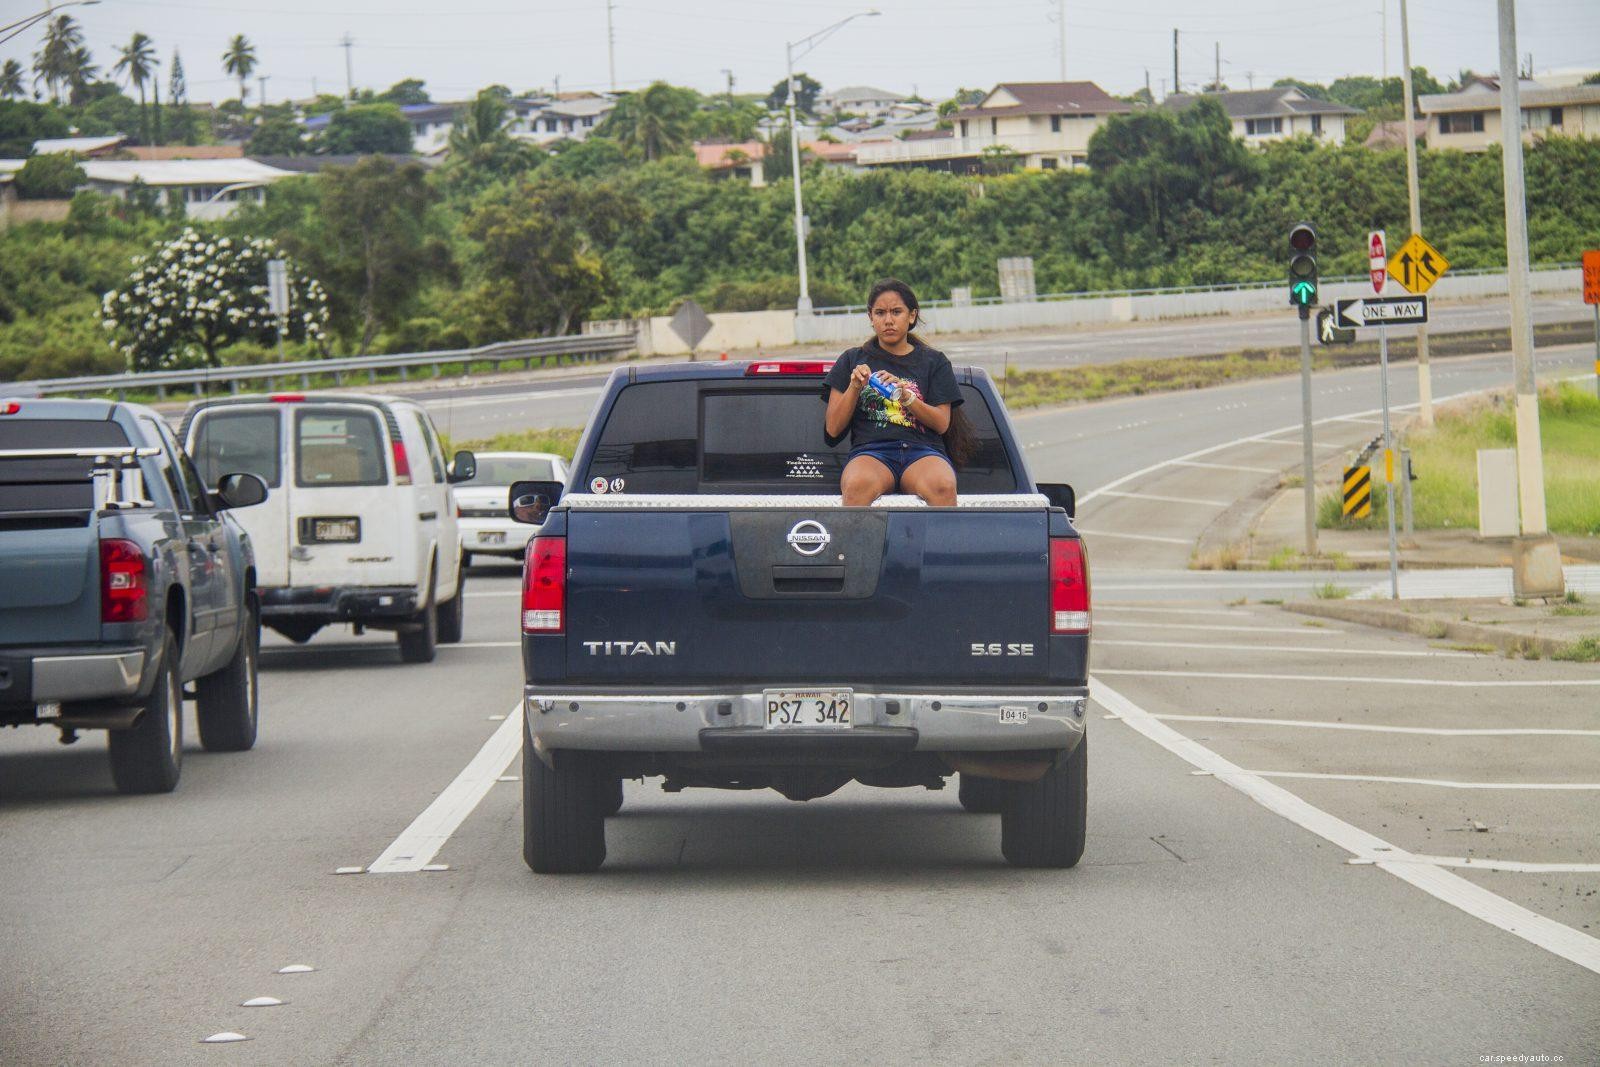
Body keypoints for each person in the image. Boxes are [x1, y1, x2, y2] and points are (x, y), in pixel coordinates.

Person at [822, 278, 970, 506]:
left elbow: (942, 423)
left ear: (911, 316)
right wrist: (854, 386)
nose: (888, 320)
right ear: (870, 317)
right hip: (872, 452)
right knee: (855, 486)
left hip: (922, 451)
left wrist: (907, 396)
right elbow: (833, 429)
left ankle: (935, 543)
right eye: (880, 313)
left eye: (896, 312)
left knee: (943, 485)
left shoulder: (934, 362)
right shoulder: (851, 359)